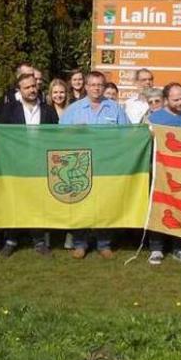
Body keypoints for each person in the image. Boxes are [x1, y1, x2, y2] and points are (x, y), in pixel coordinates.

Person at [60, 71, 129, 259]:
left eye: (100, 85)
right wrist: (74, 132)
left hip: (106, 165)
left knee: (104, 204)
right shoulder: (73, 109)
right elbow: (60, 135)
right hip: (80, 166)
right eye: (92, 84)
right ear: (86, 87)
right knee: (79, 203)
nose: (96, 88)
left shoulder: (115, 109)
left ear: (104, 87)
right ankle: (80, 244)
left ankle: (104, 244)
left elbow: (127, 135)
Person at [0, 73, 58, 257]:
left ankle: (39, 240)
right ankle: (11, 239)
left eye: (33, 86)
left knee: (38, 202)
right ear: (19, 90)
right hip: (15, 164)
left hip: (40, 164)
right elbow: (1, 136)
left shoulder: (48, 110)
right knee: (15, 201)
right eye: (27, 87)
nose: (31, 90)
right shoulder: (8, 109)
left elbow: (55, 137)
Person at [146, 83, 181, 265]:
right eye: (176, 100)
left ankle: (180, 247)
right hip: (161, 171)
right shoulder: (155, 118)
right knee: (159, 208)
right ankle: (156, 248)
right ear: (166, 100)